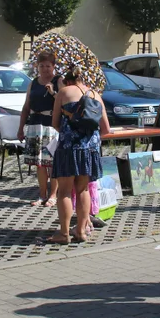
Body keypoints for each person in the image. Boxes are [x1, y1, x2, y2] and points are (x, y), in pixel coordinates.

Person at [48, 65, 111, 244]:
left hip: (68, 149)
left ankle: (64, 234)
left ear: (67, 80)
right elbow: (106, 129)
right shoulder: (96, 95)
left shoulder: (63, 92)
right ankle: (82, 231)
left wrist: (69, 133)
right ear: (83, 79)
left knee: (65, 192)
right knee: (83, 189)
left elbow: (55, 123)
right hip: (90, 150)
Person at [17, 52, 61, 206]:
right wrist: (21, 128)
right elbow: (26, 106)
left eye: (48, 66)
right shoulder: (33, 83)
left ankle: (53, 195)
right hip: (35, 125)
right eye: (41, 66)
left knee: (53, 162)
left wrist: (53, 93)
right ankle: (42, 195)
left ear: (54, 66)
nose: (45, 69)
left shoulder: (58, 80)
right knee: (40, 163)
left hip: (52, 126)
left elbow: (64, 101)